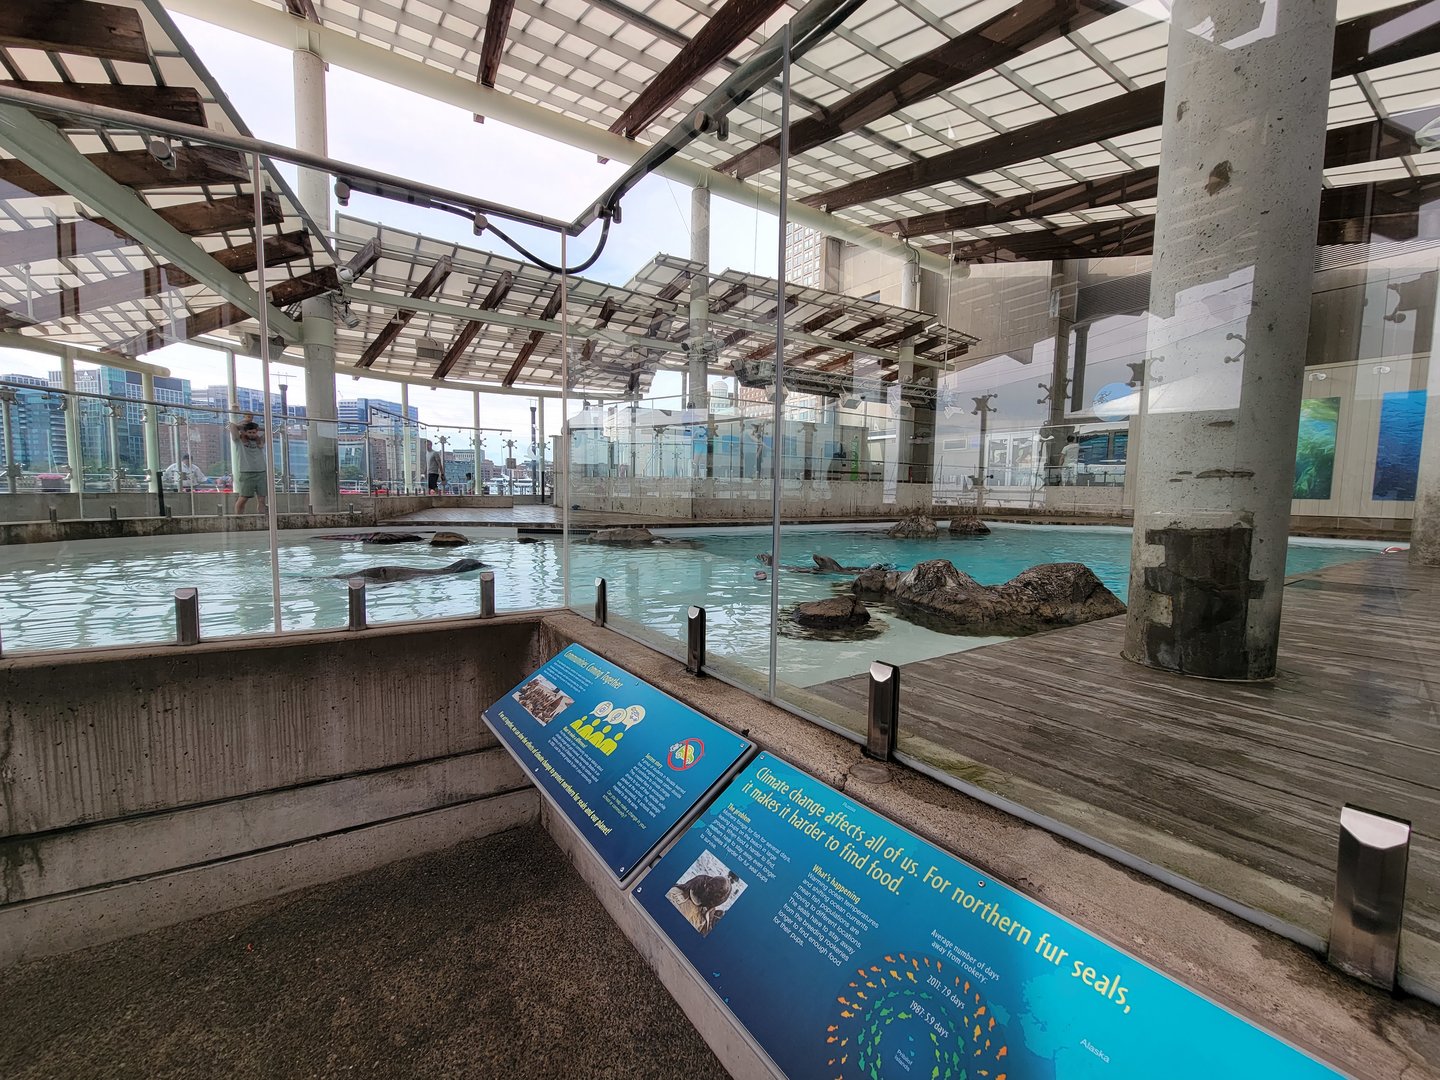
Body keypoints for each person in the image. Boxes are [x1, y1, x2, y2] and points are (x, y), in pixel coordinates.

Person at [228, 412, 269, 515]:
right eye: (249, 432)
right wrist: (242, 425)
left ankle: (262, 518)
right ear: (245, 432)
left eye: (254, 432)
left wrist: (258, 427)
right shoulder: (239, 441)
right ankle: (238, 518)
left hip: (261, 472)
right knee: (243, 498)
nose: (252, 434)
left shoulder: (260, 442)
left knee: (262, 499)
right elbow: (231, 426)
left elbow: (269, 431)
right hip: (247, 472)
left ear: (257, 432)